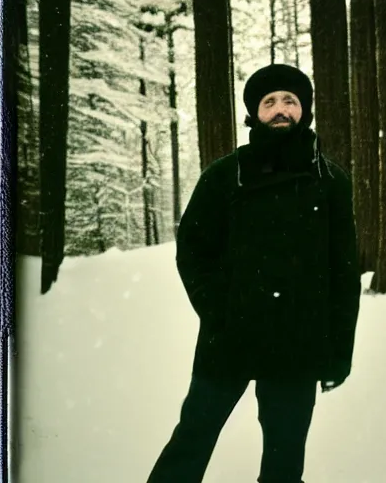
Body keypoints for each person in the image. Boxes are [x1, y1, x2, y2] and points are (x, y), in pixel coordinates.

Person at [146, 64, 362, 483]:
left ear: (305, 110)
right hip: (230, 337)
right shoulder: (225, 175)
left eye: (290, 101)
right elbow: (193, 251)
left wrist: (339, 350)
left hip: (298, 343)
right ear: (254, 113)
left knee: (284, 461)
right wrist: (219, 310)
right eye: (269, 102)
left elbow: (344, 271)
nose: (281, 109)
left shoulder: (332, 181)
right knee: (192, 439)